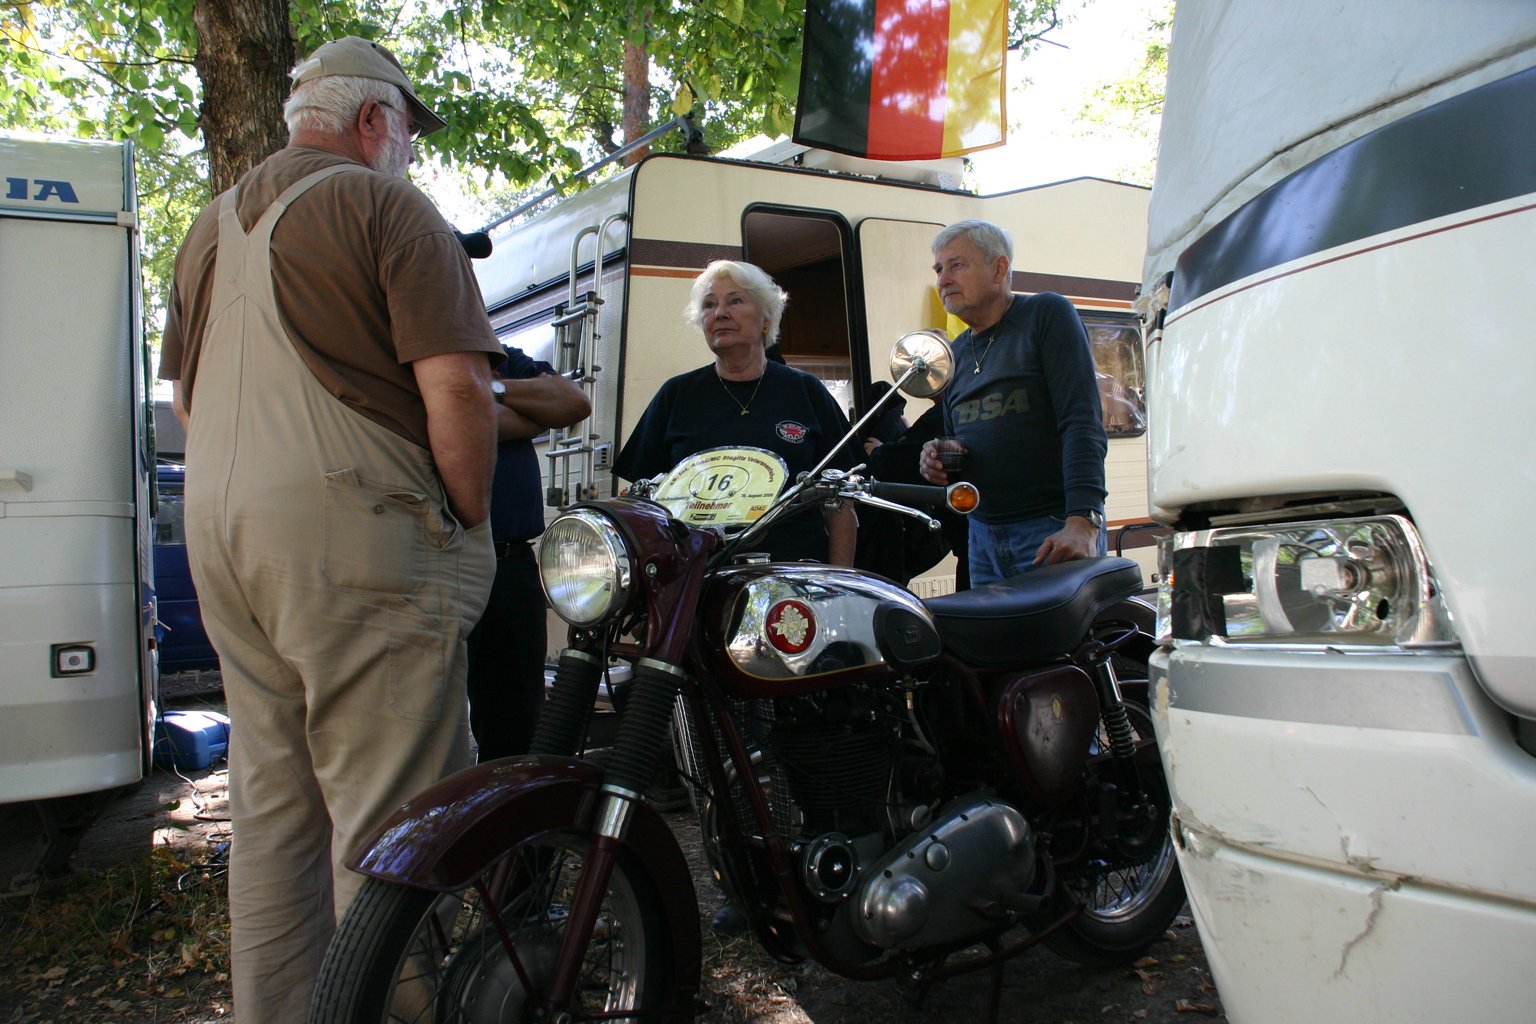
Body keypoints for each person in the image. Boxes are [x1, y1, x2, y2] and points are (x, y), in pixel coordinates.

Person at [158, 36, 501, 1021]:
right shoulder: (389, 207)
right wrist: (462, 513)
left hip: (222, 530)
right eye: (407, 132)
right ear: (372, 120)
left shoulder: (207, 228)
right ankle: (402, 1008)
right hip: (352, 532)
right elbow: (456, 387)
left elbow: (187, 402)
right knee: (395, 812)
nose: (409, 151)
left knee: (273, 807)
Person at [614, 259, 857, 565]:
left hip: (793, 576)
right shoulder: (676, 395)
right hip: (697, 577)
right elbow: (639, 502)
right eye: (709, 304)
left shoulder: (806, 391)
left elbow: (841, 499)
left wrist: (836, 581)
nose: (720, 313)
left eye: (735, 301)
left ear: (766, 317)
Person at [918, 219, 1107, 586]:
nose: (943, 280)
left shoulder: (1046, 315)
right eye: (939, 269)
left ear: (998, 269)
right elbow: (958, 443)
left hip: (1051, 529)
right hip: (981, 535)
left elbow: (1081, 422)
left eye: (956, 265)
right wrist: (936, 458)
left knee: (1062, 627)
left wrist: (1083, 520)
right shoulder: (955, 354)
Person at [467, 351, 590, 762]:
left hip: (511, 564)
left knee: (517, 721)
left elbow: (572, 403)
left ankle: (506, 795)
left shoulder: (502, 356)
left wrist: (487, 388)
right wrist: (530, 415)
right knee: (431, 719)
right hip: (443, 560)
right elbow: (441, 419)